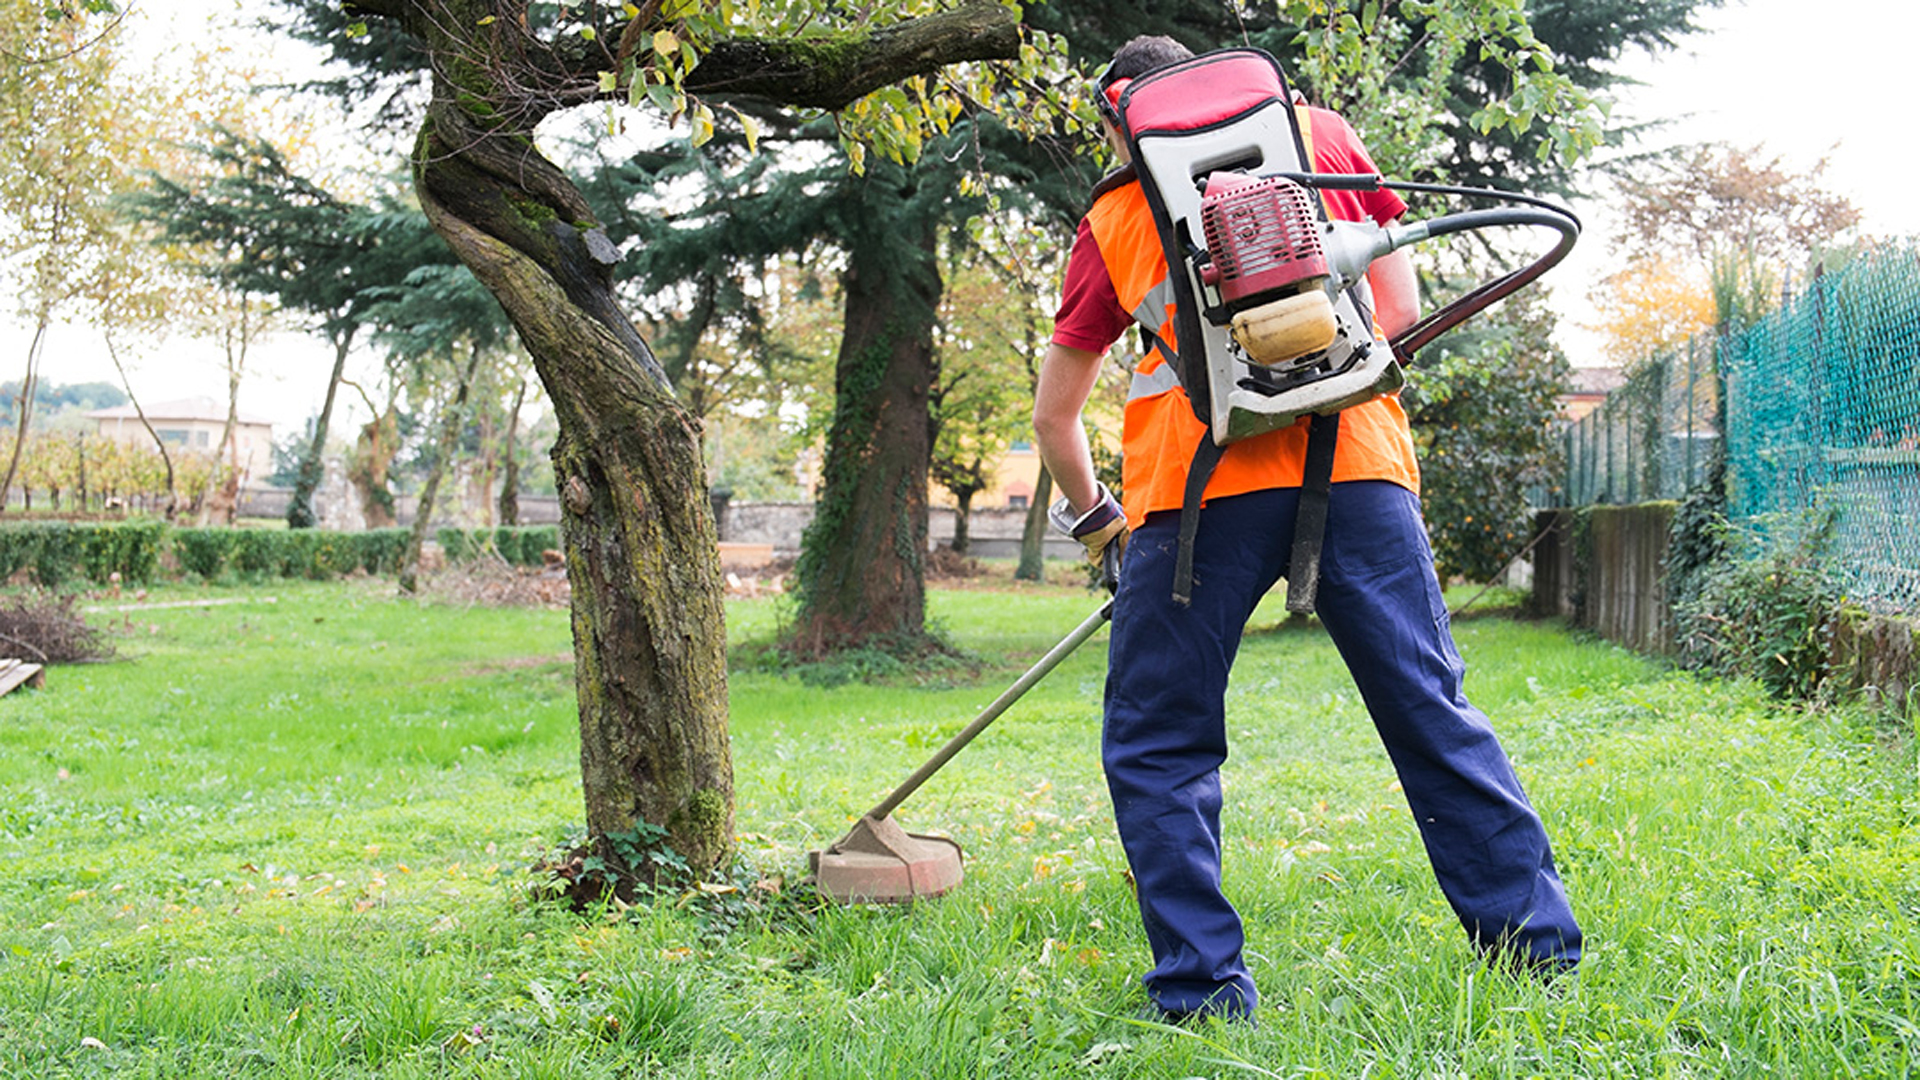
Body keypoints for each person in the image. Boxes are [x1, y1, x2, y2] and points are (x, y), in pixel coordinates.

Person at [1033, 35, 1582, 1024]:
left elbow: (1052, 417)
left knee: (1160, 743)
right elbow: (1400, 309)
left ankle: (1203, 994)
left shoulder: (1115, 211)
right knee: (1431, 711)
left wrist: (1100, 528)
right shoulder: (1318, 137)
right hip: (1358, 464)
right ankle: (1535, 955)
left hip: (1192, 500)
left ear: (1125, 119)